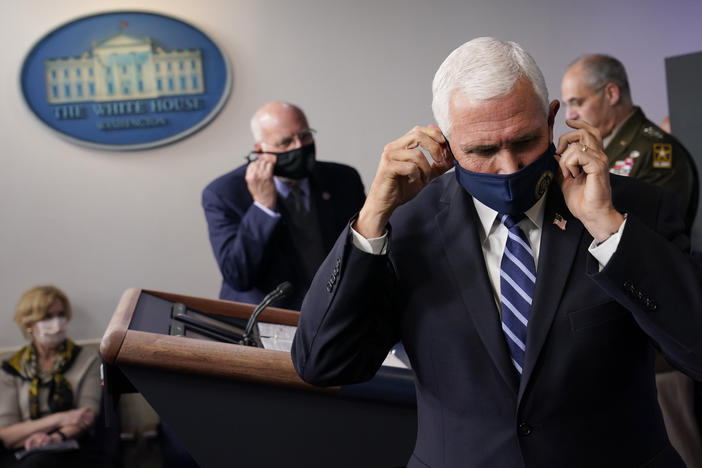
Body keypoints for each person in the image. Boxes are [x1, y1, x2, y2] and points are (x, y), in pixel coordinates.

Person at [292, 37, 702, 467]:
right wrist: (372, 215)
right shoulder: (405, 225)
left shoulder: (634, 209)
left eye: (524, 141)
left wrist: (606, 225)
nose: (509, 167)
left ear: (551, 119)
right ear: (445, 145)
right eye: (483, 150)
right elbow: (323, 364)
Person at [202, 101, 366, 309]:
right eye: (286, 142)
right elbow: (238, 275)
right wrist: (262, 207)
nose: (299, 147)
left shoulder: (343, 178)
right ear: (260, 150)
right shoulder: (224, 193)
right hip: (267, 317)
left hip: (337, 311)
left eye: (305, 135)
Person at [561, 54, 698, 232]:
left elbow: (656, 238)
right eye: (567, 105)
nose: (569, 115)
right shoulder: (597, 148)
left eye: (576, 103)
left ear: (611, 94)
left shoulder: (659, 152)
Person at [0, 286, 110, 467]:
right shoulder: (12, 368)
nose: (57, 323)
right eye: (47, 317)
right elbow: (5, 433)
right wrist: (59, 419)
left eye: (60, 315)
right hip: (22, 450)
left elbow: (87, 414)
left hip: (71, 444)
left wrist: (55, 437)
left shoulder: (87, 359)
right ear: (29, 324)